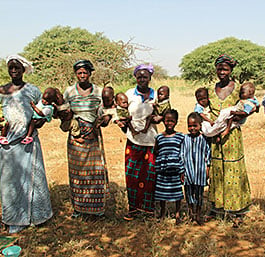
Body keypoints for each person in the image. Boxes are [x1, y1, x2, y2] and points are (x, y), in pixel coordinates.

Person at [0, 54, 52, 233]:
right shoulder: (0, 92)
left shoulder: (32, 90)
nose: (13, 71)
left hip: (29, 142)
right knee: (10, 182)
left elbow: (44, 111)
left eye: (17, 67)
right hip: (8, 145)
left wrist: (39, 121)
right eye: (10, 68)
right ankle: (14, 219)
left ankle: (38, 217)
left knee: (34, 179)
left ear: (23, 69)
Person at [207, 54, 252, 228]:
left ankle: (237, 210)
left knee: (233, 169)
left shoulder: (240, 88)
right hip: (215, 136)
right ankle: (216, 207)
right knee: (217, 169)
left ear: (231, 70)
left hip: (232, 136)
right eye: (219, 69)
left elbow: (247, 108)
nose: (222, 72)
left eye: (225, 69)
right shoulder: (211, 90)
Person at [62, 59, 109, 218]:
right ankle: (79, 209)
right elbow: (63, 114)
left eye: (85, 72)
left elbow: (103, 112)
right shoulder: (69, 92)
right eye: (79, 73)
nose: (82, 75)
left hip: (93, 137)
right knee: (77, 173)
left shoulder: (98, 91)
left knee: (95, 172)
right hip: (76, 138)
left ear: (90, 74)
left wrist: (104, 119)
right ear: (76, 74)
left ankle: (97, 211)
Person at [116, 64, 158, 220]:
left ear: (150, 78)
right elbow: (122, 115)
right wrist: (125, 128)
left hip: (151, 141)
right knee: (132, 175)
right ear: (135, 77)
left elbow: (164, 114)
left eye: (145, 77)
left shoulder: (157, 95)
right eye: (139, 76)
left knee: (150, 176)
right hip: (133, 141)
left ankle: (148, 210)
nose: (142, 79)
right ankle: (133, 209)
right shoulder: (128, 95)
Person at [154, 109, 184, 224]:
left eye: (172, 121)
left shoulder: (180, 137)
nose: (169, 123)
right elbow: (156, 151)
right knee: (162, 192)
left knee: (177, 192)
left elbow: (182, 153)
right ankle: (162, 213)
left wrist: (182, 171)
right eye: (167, 121)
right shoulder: (159, 137)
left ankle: (177, 213)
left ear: (176, 122)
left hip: (175, 169)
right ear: (163, 121)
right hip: (163, 170)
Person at [181, 112, 211, 225]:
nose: (192, 128)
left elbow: (208, 154)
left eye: (195, 126)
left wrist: (207, 168)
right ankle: (191, 214)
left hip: (199, 172)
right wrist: (182, 171)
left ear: (200, 125)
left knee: (199, 194)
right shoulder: (185, 138)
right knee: (188, 194)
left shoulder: (204, 138)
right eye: (190, 126)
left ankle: (198, 214)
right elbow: (182, 154)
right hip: (188, 172)